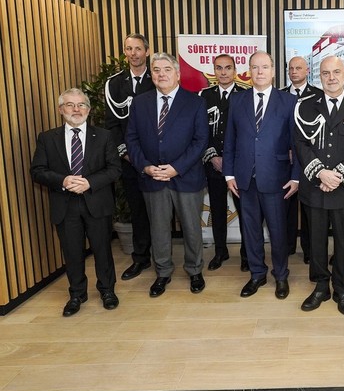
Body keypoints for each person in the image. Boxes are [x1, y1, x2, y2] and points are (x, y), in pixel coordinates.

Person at [30, 88, 121, 316]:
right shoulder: (47, 138)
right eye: (70, 105)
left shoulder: (103, 136)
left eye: (81, 105)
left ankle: (107, 290)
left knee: (102, 250)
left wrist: (89, 182)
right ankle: (77, 294)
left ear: (88, 110)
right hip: (65, 204)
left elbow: (114, 169)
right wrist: (63, 180)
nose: (76, 109)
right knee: (72, 252)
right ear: (61, 110)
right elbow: (37, 171)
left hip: (96, 202)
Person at [126, 52, 209, 297]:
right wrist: (145, 166)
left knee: (192, 228)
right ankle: (163, 272)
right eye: (157, 70)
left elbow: (200, 140)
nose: (161, 74)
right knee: (159, 228)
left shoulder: (195, 102)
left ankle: (195, 270)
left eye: (166, 69)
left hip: (185, 176)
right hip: (152, 177)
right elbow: (131, 139)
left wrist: (176, 168)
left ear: (178, 73)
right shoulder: (140, 103)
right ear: (152, 75)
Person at [294, 55, 344, 315]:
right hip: (315, 187)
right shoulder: (305, 106)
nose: (331, 77)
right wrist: (321, 174)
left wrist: (337, 175)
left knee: (343, 241)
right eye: (326, 73)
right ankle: (320, 287)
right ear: (319, 76)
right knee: (316, 241)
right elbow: (301, 144)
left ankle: (340, 287)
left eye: (336, 72)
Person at [223, 51, 299, 300]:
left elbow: (297, 144)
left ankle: (281, 276)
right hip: (244, 179)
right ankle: (257, 274)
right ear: (249, 71)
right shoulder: (237, 101)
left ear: (273, 71)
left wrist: (296, 176)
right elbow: (230, 140)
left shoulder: (288, 101)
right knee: (251, 230)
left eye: (264, 67)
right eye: (254, 67)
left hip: (277, 178)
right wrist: (228, 174)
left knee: (278, 231)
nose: (260, 72)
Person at [105, 33, 155, 281]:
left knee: (162, 211)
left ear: (147, 51)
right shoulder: (114, 84)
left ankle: (162, 258)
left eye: (138, 49)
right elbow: (112, 124)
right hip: (130, 161)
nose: (133, 53)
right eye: (128, 49)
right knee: (137, 210)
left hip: (158, 160)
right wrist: (126, 153)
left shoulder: (158, 78)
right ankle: (141, 258)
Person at [199, 54, 249, 272]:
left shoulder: (246, 95)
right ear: (214, 70)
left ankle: (247, 253)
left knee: (245, 210)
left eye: (228, 68)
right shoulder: (204, 96)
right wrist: (212, 156)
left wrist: (230, 159)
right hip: (213, 164)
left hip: (239, 165)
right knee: (217, 210)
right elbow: (200, 130)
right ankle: (221, 251)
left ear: (235, 70)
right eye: (219, 68)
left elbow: (248, 132)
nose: (223, 72)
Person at [281, 56, 322, 263]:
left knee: (309, 209)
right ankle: (288, 246)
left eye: (298, 68)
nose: (294, 71)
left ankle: (308, 250)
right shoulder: (279, 95)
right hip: (285, 161)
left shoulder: (318, 95)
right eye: (291, 68)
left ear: (307, 71)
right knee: (287, 206)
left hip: (310, 161)